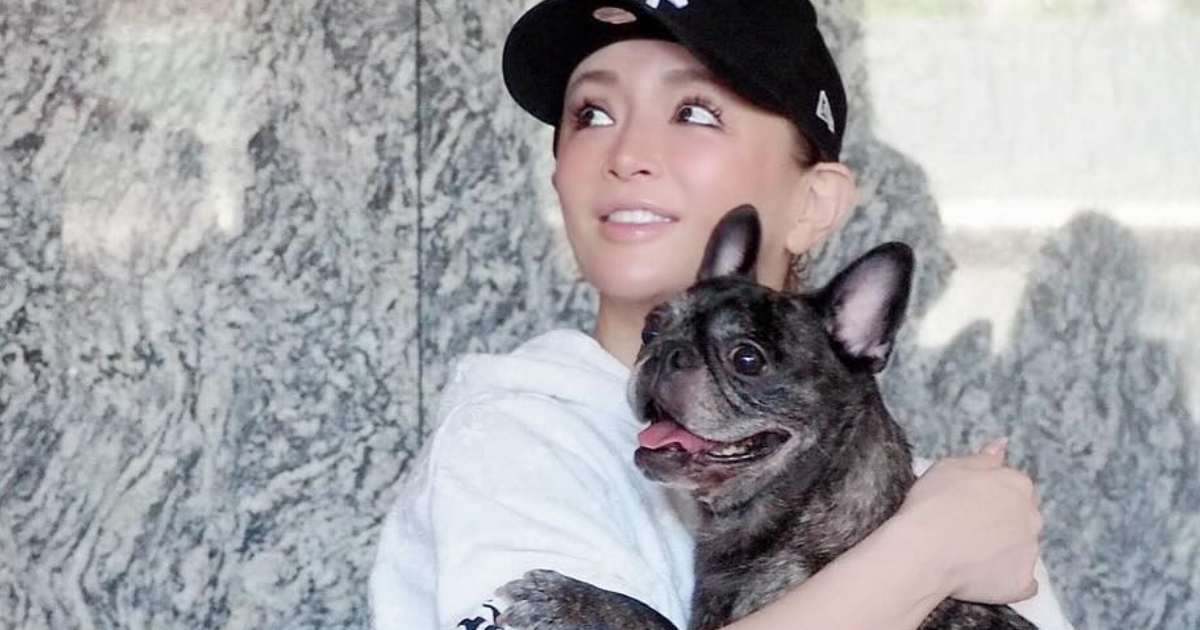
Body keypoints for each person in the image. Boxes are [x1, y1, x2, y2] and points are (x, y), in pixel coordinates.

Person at [370, 1, 1076, 629]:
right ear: (557, 176)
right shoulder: (515, 443)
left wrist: (938, 536)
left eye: (694, 113)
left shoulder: (946, 501)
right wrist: (924, 556)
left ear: (815, 203)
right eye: (591, 115)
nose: (626, 154)